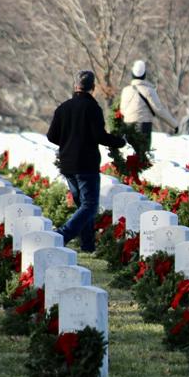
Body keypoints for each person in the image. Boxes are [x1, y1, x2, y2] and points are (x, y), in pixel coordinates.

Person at [47, 70, 126, 252]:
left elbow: (51, 136)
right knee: (89, 206)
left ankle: (88, 244)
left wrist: (67, 142)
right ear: (92, 88)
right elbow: (99, 136)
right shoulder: (92, 108)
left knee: (83, 206)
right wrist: (120, 141)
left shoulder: (63, 108)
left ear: (75, 86)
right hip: (86, 164)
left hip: (67, 164)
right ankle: (62, 235)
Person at [119, 60, 179, 144]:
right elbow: (159, 110)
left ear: (132, 74)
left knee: (132, 153)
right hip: (143, 127)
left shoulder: (125, 90)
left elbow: (122, 110)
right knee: (142, 153)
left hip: (128, 127)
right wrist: (174, 124)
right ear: (144, 75)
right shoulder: (149, 91)